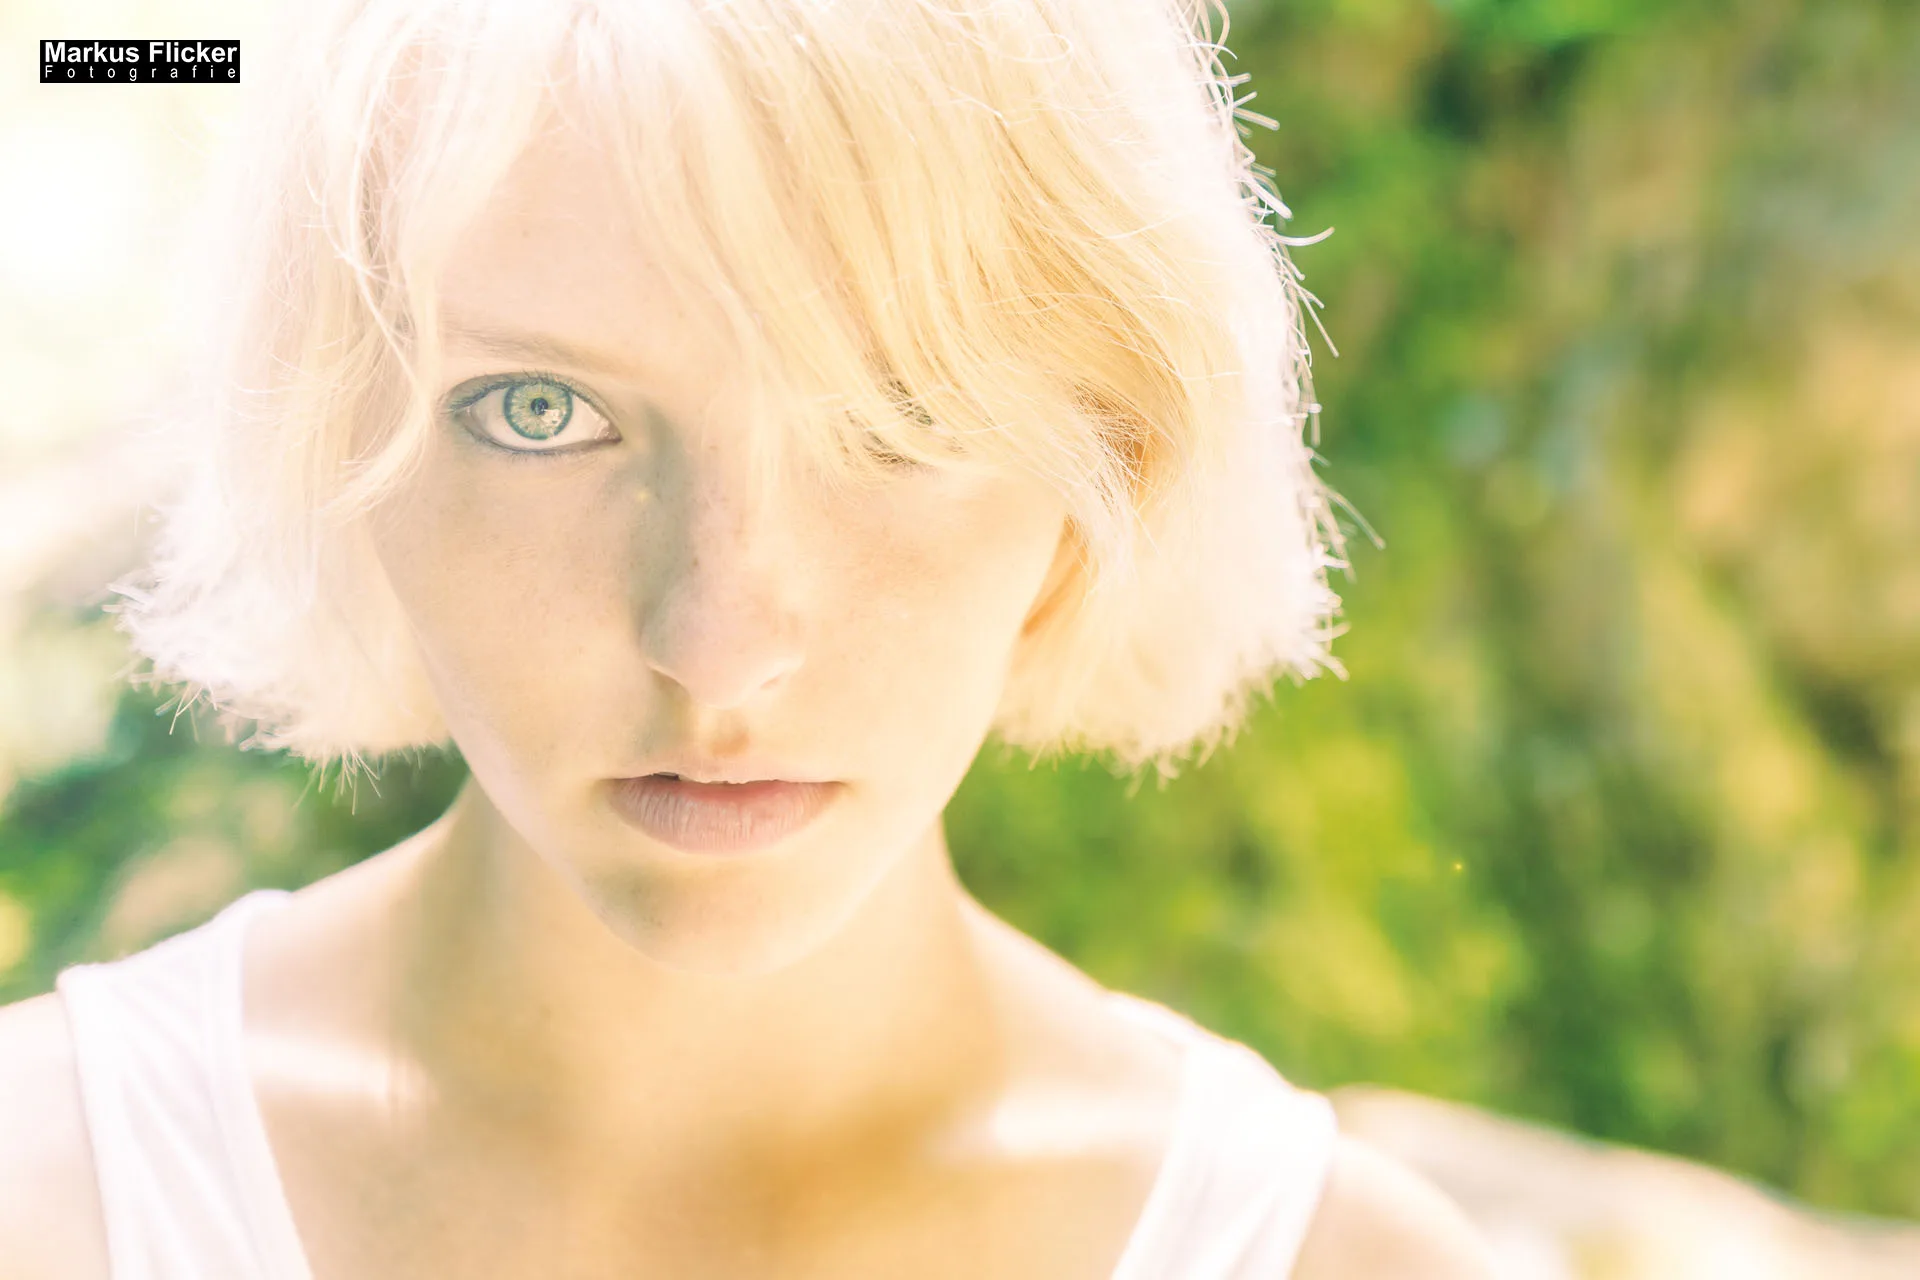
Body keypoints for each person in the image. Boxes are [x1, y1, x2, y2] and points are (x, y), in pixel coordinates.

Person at [0, 0, 1497, 1274]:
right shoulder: (46, 1196)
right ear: (339, 441)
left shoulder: (1339, 1261)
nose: (716, 647)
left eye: (902, 422)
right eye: (542, 413)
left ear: (1111, 469)